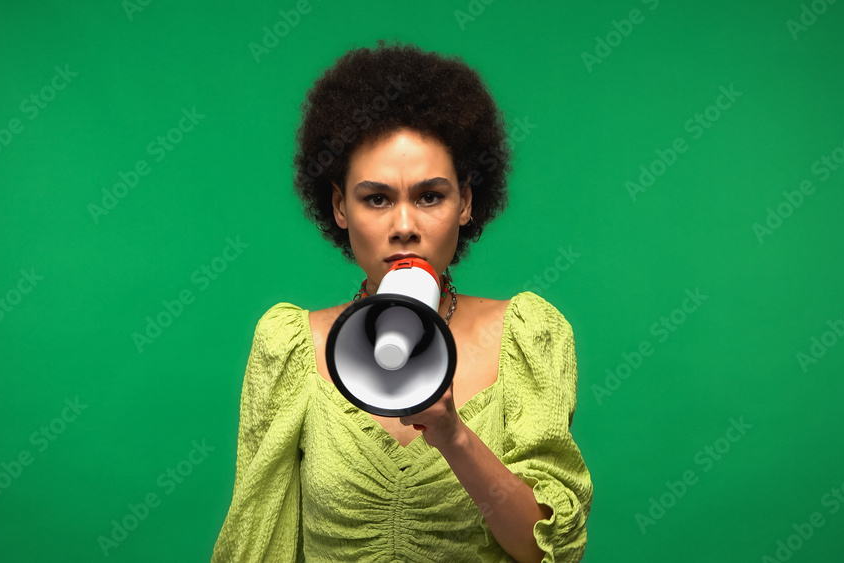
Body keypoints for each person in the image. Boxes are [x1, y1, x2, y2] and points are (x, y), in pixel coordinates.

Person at [212, 39, 592, 562]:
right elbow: (259, 541)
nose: (405, 227)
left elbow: (544, 549)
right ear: (340, 208)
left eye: (430, 196)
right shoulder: (290, 347)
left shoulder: (526, 336)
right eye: (377, 198)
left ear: (467, 202)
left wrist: (454, 437)